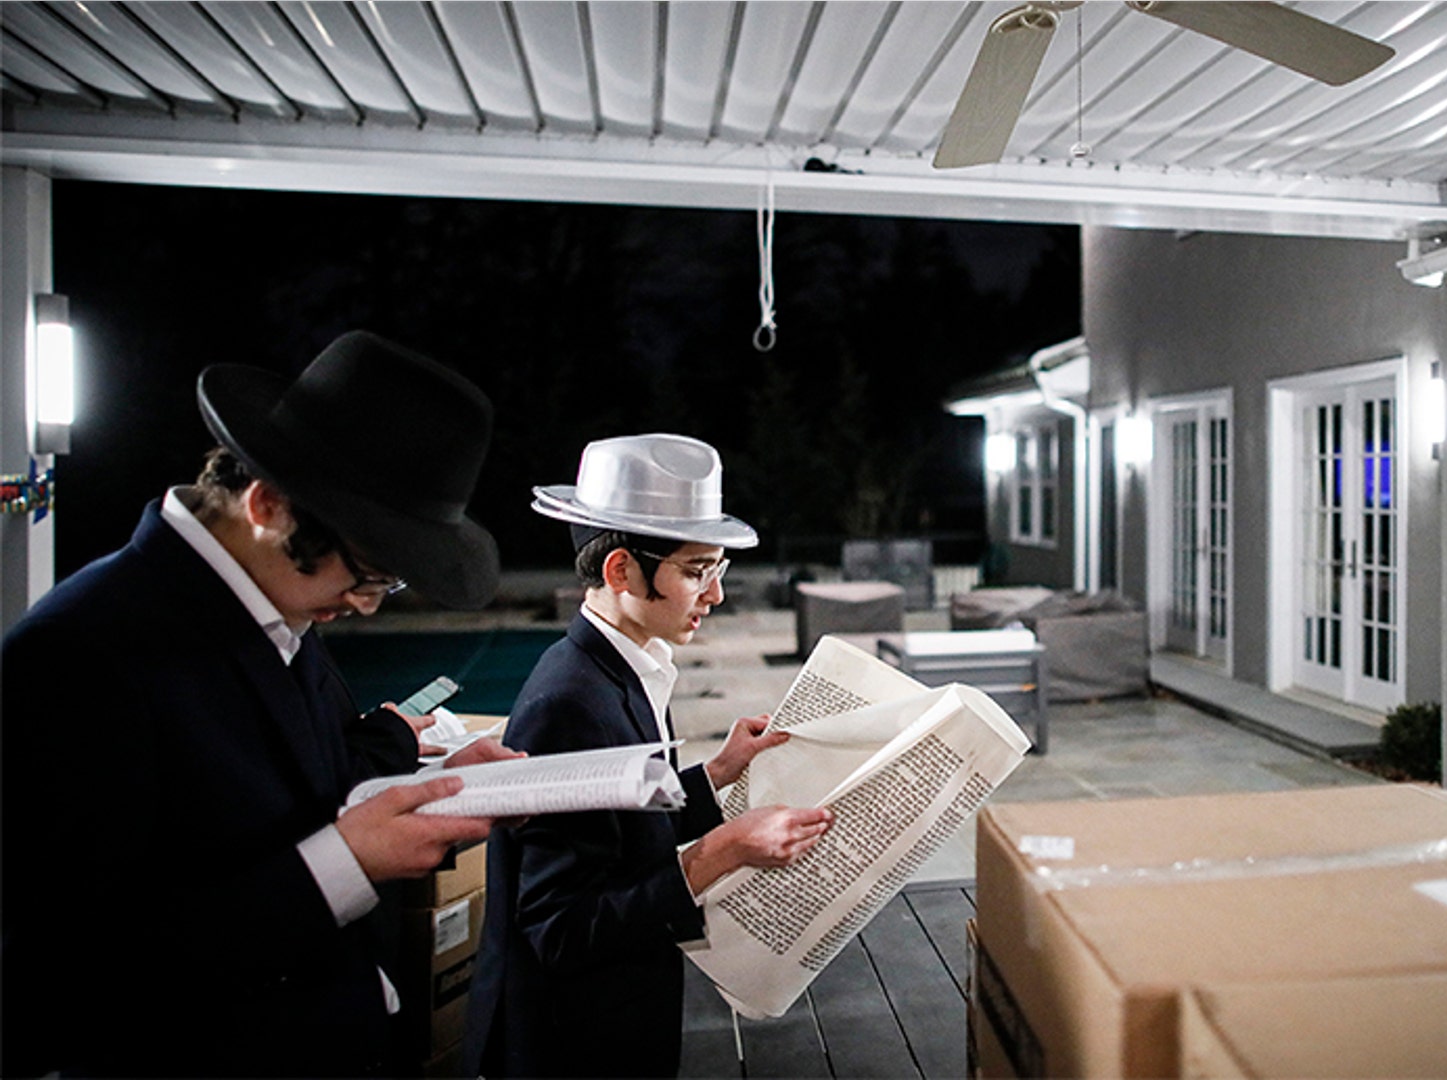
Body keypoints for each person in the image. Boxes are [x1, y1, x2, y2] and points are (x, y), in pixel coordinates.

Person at [0, 330, 520, 1077]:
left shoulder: (281, 607)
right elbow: (55, 985)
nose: (369, 607)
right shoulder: (77, 655)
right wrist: (341, 865)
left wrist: (439, 781)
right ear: (269, 505)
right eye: (370, 571)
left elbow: (305, 777)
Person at [466, 434, 833, 1078]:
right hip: (564, 1043)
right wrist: (719, 853)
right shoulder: (568, 703)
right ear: (620, 571)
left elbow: (619, 828)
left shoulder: (624, 665)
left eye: (718, 570)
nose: (715, 595)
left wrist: (717, 775)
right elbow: (558, 929)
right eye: (697, 571)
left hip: (617, 1012)